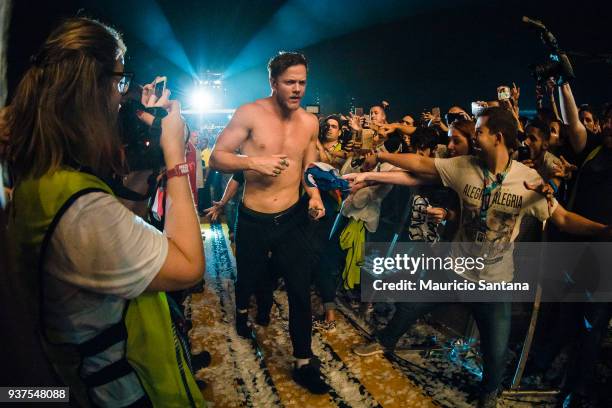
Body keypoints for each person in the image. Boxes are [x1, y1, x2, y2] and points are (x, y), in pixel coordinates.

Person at [346, 107, 611, 408]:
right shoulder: (464, 166)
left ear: (497, 137)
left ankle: (489, 395)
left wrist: (604, 231)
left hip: (494, 285)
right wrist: (380, 158)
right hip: (456, 270)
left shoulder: (528, 179)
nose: (476, 136)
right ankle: (384, 341)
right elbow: (421, 163)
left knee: (495, 357)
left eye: (481, 131)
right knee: (410, 305)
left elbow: (562, 219)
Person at [5, 18, 205, 407]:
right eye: (118, 81)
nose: (120, 97)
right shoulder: (81, 210)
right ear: (90, 91)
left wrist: (149, 156)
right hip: (117, 391)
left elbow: (125, 226)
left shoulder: (44, 178)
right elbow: (189, 265)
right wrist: (175, 157)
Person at [209, 51, 329, 394]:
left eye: (302, 82)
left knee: (299, 289)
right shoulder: (249, 113)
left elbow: (309, 169)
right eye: (290, 82)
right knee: (248, 276)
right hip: (253, 217)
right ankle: (242, 308)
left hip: (292, 219)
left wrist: (316, 196)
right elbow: (218, 157)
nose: (297, 89)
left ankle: (304, 361)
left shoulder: (309, 122)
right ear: (273, 83)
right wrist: (254, 163)